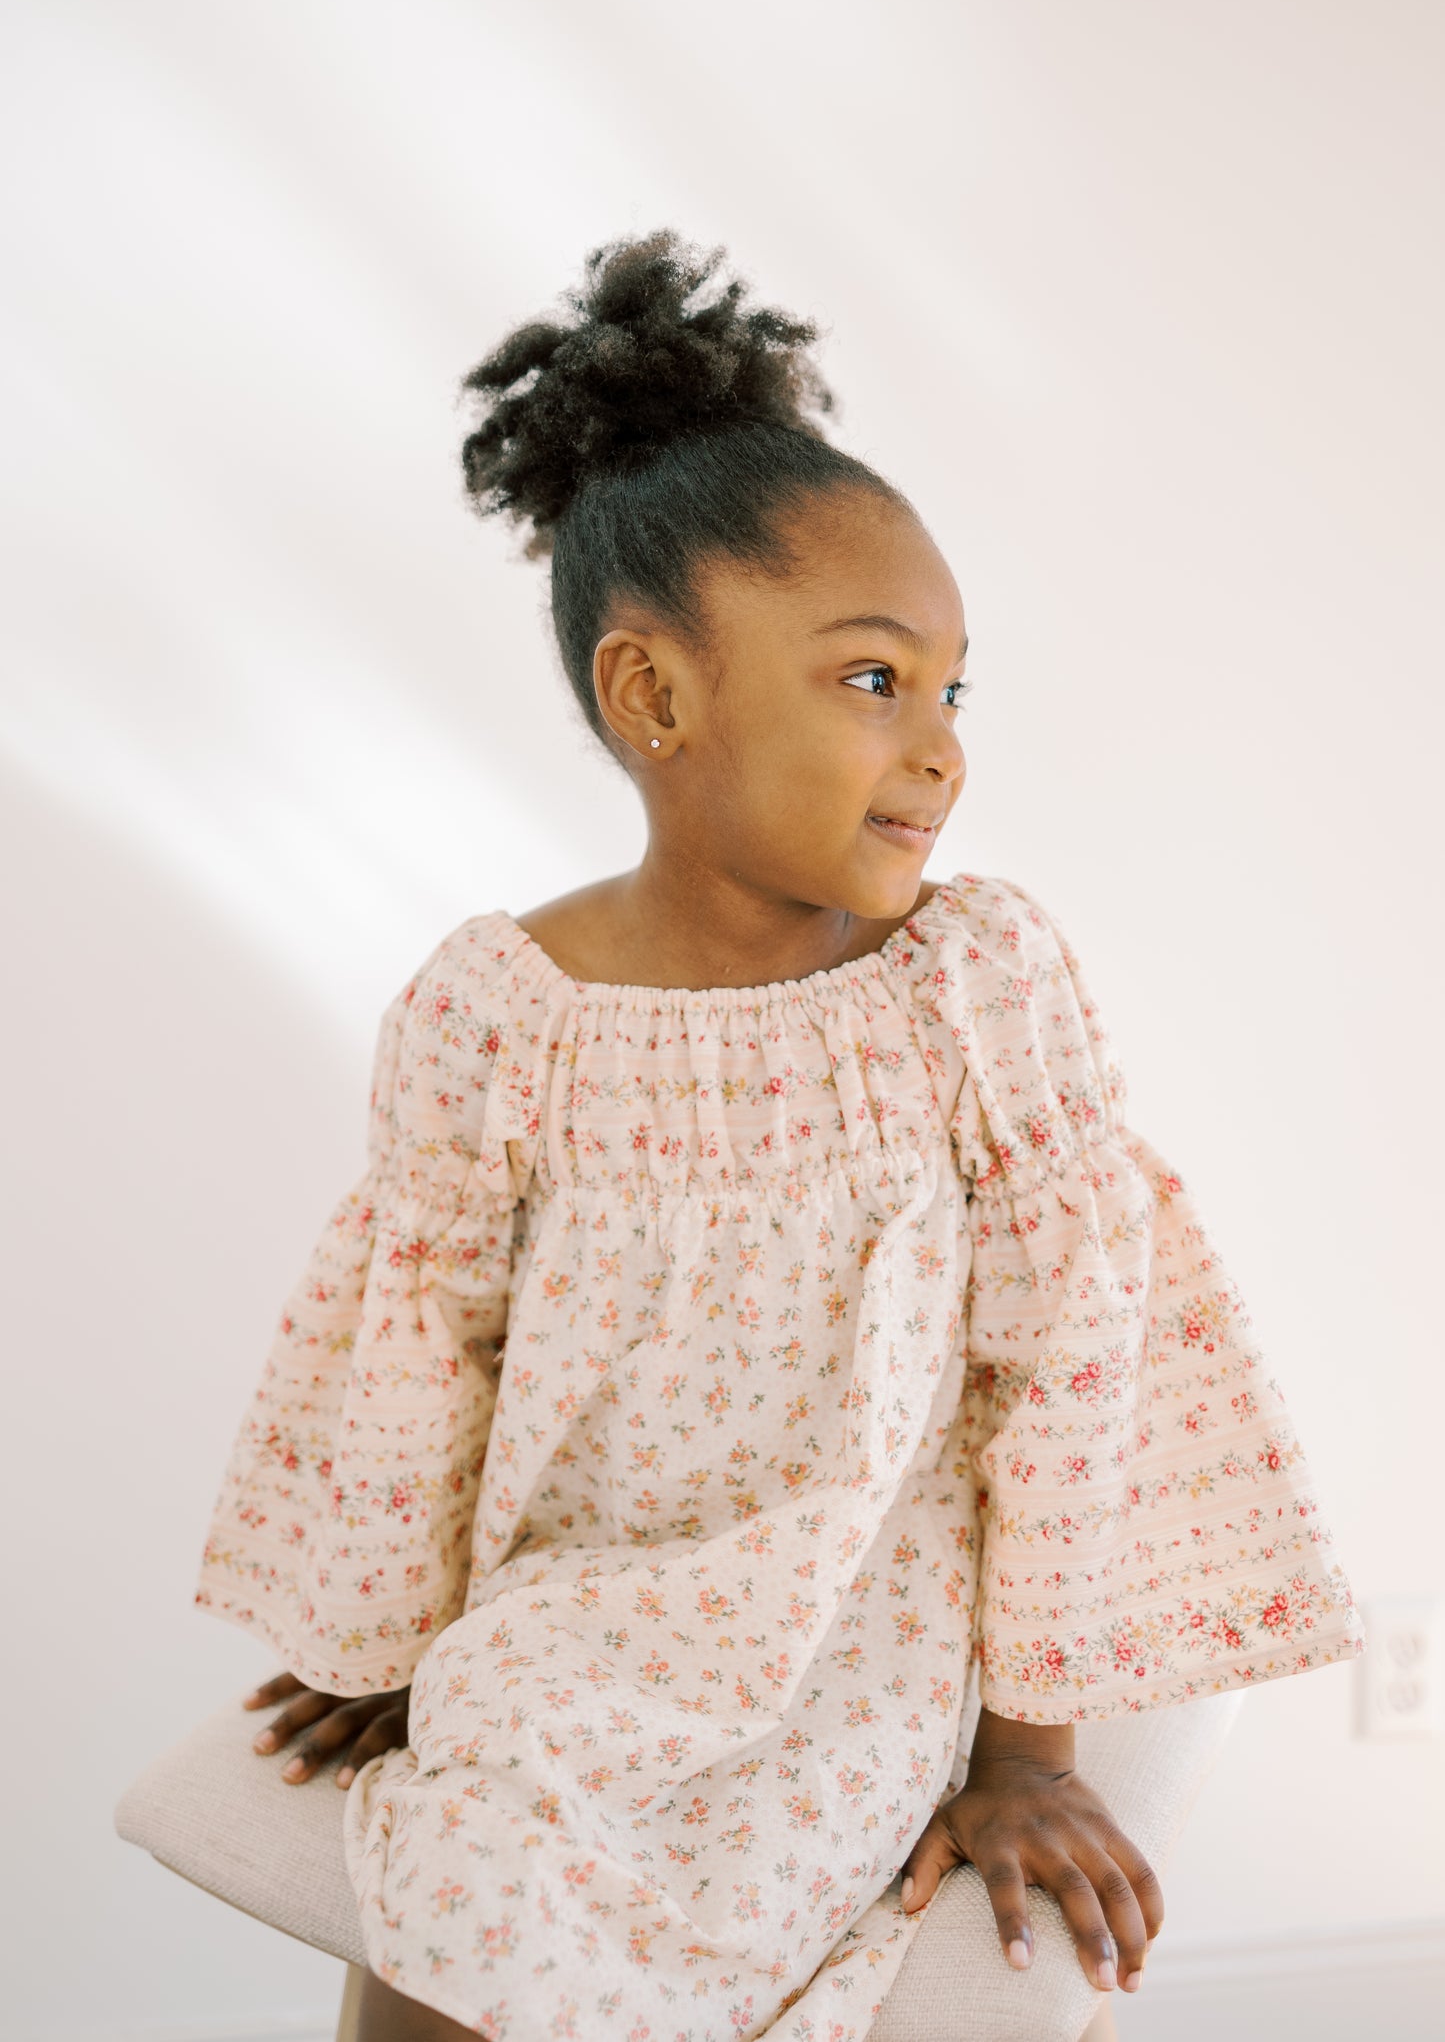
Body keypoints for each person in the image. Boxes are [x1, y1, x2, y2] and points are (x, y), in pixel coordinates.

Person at [196, 231, 1362, 2042]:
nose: (941, 749)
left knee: (736, 1882)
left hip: (855, 1628)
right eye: (874, 680)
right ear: (654, 697)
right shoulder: (501, 1016)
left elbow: (1064, 1370)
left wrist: (1029, 1754)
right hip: (575, 1610)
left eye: (953, 690)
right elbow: (423, 1358)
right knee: (459, 1846)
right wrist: (387, 1649)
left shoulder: (971, 992)